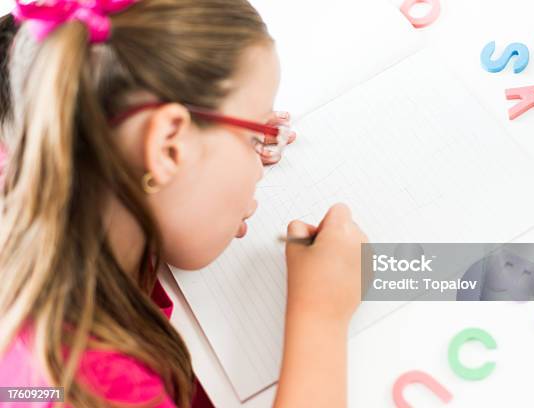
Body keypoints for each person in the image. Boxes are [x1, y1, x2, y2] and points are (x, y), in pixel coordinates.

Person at [0, 0, 367, 406]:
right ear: (168, 148)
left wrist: (182, 176)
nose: (260, 158)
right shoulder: (100, 391)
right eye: (254, 133)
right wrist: (320, 314)